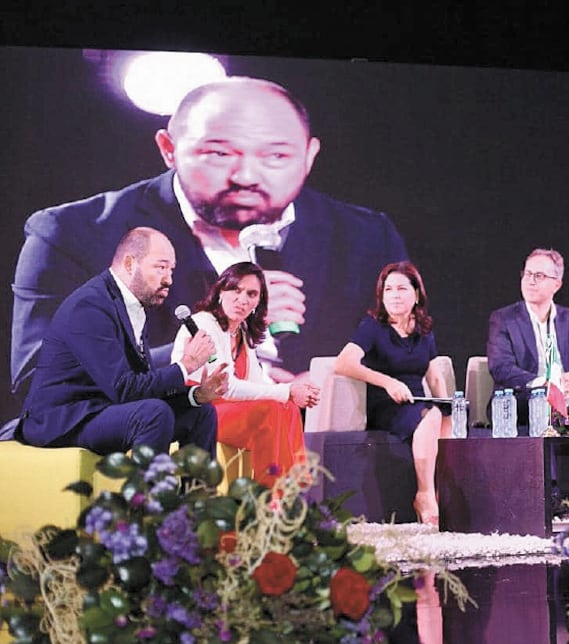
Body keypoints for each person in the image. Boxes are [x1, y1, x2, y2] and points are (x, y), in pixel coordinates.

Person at [9, 75, 407, 424]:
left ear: (309, 155)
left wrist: (332, 384)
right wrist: (206, 337)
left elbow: (401, 352)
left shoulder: (366, 236)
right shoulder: (73, 233)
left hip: (313, 436)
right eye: (218, 153)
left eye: (276, 156)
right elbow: (38, 377)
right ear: (169, 148)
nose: (247, 176)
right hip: (166, 429)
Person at [16, 227, 228, 456]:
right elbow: (124, 388)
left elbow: (138, 386)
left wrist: (195, 395)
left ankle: (197, 491)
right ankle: (149, 493)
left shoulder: (135, 307)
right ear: (129, 264)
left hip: (101, 408)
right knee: (153, 414)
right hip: (64, 419)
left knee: (200, 412)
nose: (168, 279)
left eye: (171, 270)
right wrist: (186, 365)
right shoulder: (90, 306)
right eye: (160, 267)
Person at [171, 262, 321, 488]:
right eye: (236, 290)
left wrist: (291, 393)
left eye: (252, 294)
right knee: (271, 408)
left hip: (227, 408)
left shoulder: (241, 331)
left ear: (258, 302)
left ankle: (290, 490)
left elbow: (256, 383)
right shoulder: (202, 324)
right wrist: (288, 390)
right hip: (201, 410)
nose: (242, 299)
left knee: (286, 407)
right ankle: (270, 495)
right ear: (221, 291)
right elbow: (226, 387)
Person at [333, 262, 451, 526]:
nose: (394, 295)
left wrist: (448, 406)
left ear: (416, 294)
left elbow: (433, 376)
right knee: (431, 416)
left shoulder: (424, 330)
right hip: (386, 404)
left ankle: (444, 497)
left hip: (418, 403)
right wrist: (387, 382)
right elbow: (343, 363)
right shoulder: (373, 326)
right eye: (388, 289)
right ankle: (424, 495)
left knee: (445, 420)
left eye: (401, 288)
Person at [486, 248, 569, 422]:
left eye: (539, 276)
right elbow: (501, 368)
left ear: (557, 284)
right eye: (527, 274)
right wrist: (544, 384)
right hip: (522, 405)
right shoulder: (503, 319)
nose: (530, 281)